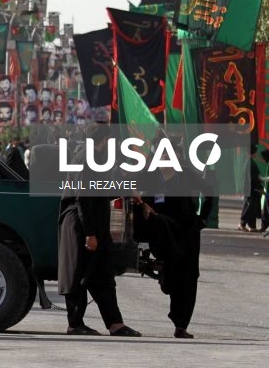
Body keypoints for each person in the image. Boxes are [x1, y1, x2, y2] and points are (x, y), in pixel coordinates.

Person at [57, 123, 141, 337]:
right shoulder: (87, 159)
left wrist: (126, 191)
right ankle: (75, 324)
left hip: (91, 225)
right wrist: (90, 234)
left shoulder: (92, 157)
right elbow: (83, 198)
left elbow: (97, 190)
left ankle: (115, 324)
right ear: (103, 140)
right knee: (79, 276)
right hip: (82, 227)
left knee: (102, 275)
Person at [135, 141, 214, 339]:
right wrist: (143, 204)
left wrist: (202, 219)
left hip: (186, 232)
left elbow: (210, 191)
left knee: (188, 277)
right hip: (162, 233)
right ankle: (165, 275)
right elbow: (131, 190)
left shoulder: (186, 174)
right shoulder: (149, 175)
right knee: (172, 274)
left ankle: (181, 325)